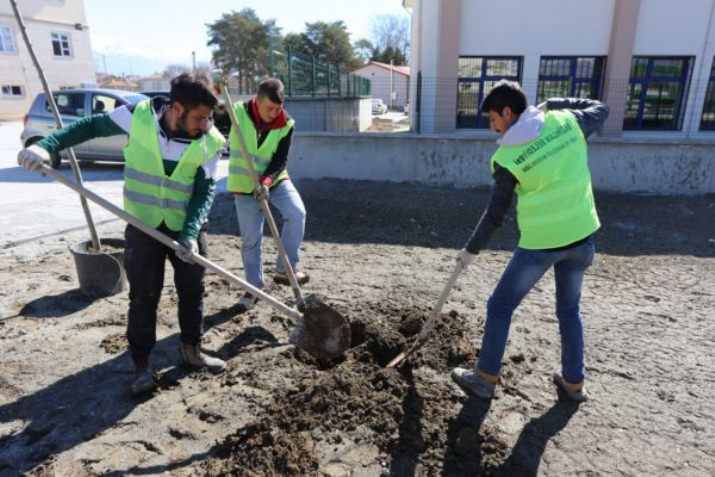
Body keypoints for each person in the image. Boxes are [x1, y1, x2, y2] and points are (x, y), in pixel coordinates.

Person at [18, 73, 228, 394]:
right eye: (199, 117)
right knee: (143, 295)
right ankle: (142, 365)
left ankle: (192, 351)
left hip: (186, 225)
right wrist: (47, 146)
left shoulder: (210, 140)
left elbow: (204, 190)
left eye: (209, 117)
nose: (206, 124)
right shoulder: (137, 116)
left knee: (192, 291)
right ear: (176, 108)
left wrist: (189, 233)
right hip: (143, 225)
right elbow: (89, 127)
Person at [450, 80, 609, 402]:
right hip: (582, 237)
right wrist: (555, 102)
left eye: (493, 119)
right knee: (569, 310)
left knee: (499, 306)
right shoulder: (567, 122)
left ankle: (484, 378)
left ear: (508, 112)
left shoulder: (508, 158)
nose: (492, 128)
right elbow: (601, 109)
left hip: (541, 245)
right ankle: (574, 383)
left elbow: (495, 214)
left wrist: (470, 249)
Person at [227, 77, 308, 311]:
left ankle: (286, 266)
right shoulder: (236, 112)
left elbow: (280, 159)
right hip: (244, 186)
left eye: (278, 108)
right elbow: (209, 116)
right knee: (251, 240)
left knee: (297, 212)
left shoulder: (287, 123)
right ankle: (253, 289)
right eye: (269, 108)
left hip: (274, 181)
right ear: (257, 101)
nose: (274, 113)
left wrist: (267, 180)